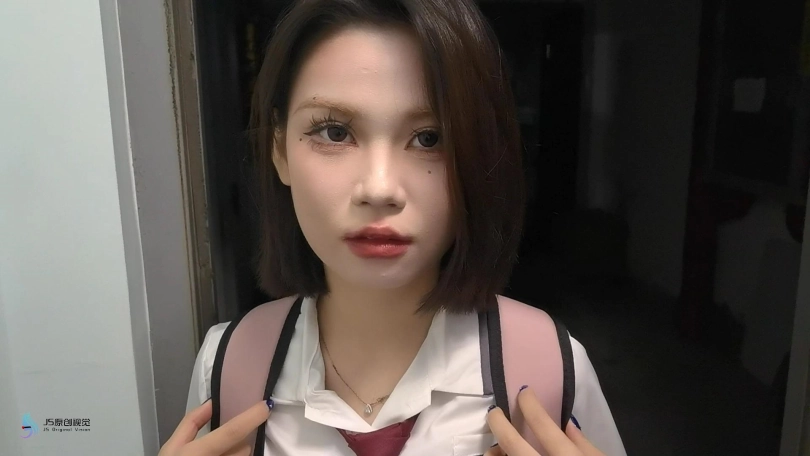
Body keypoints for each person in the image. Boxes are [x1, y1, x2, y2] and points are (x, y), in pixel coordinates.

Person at [164, 0, 626, 454]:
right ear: (280, 150)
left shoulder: (550, 371)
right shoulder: (227, 367)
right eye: (334, 132)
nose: (380, 188)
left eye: (430, 138)